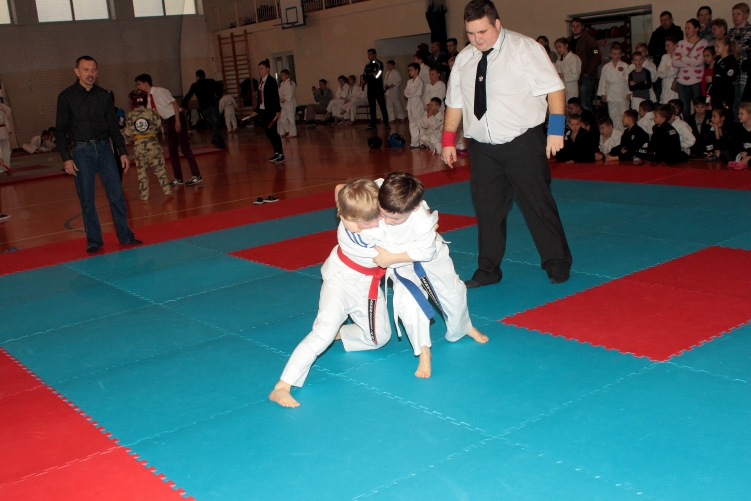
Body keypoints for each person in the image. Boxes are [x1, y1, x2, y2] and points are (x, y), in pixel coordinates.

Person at [443, 0, 572, 286]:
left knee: (537, 204)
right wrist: (448, 139)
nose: (477, 39)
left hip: (521, 141)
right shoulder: (464, 59)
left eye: (482, 32)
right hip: (481, 147)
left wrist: (555, 129)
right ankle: (488, 269)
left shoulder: (524, 48)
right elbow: (455, 102)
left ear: (497, 23)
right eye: (470, 33)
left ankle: (557, 262)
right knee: (487, 210)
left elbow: (554, 88)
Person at [268, 178, 391, 408]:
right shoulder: (362, 233)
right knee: (322, 334)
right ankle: (282, 386)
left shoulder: (365, 208)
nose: (370, 224)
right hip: (339, 281)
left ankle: (339, 332)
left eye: (372, 219)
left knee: (379, 339)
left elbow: (339, 189)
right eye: (363, 221)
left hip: (367, 285)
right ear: (344, 215)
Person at [363, 172, 488, 377]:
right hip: (400, 263)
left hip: (428, 256)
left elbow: (424, 253)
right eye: (383, 213)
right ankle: (423, 351)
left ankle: (463, 327)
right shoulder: (380, 190)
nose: (387, 220)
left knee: (454, 292)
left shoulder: (421, 220)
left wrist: (388, 259)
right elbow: (344, 191)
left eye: (394, 218)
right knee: (409, 304)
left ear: (413, 208)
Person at [55, 55, 142, 253]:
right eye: (86, 69)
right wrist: (66, 157)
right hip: (81, 152)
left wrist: (122, 152)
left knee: (117, 195)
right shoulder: (66, 97)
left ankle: (125, 235)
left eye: (93, 69)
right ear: (77, 72)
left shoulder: (104, 96)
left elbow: (113, 127)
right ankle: (94, 240)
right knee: (87, 199)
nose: (90, 73)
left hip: (105, 149)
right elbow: (60, 130)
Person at [135, 74, 203, 187]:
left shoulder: (160, 91)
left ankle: (197, 175)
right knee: (172, 151)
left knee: (185, 148)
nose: (138, 87)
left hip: (176, 117)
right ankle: (178, 178)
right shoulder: (149, 97)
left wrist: (177, 121)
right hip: (168, 121)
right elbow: (150, 114)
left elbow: (175, 104)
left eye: (139, 84)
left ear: (145, 83)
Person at [123, 90, 171, 201]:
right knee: (160, 170)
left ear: (132, 101)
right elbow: (158, 127)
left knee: (142, 173)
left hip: (139, 147)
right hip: (153, 145)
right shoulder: (152, 113)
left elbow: (128, 133)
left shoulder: (130, 115)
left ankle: (144, 196)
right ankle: (167, 190)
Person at [673, 19, 709, 116]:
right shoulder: (681, 43)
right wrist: (691, 61)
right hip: (681, 81)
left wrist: (683, 58)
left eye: (689, 28)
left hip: (697, 80)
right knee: (684, 109)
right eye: (685, 28)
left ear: (696, 29)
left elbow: (699, 61)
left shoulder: (703, 43)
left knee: (699, 107)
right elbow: (675, 62)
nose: (686, 30)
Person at [182, 69, 225, 149]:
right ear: (204, 76)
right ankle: (217, 139)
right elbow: (220, 87)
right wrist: (218, 95)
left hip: (204, 108)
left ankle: (218, 140)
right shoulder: (211, 81)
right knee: (216, 122)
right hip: (212, 105)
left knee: (213, 124)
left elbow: (188, 95)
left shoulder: (195, 85)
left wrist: (182, 105)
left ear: (197, 76)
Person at [568, 17, 601, 112]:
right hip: (573, 76)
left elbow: (596, 55)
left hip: (586, 76)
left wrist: (588, 72)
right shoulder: (568, 40)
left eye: (577, 26)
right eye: (573, 26)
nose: (575, 28)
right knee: (573, 103)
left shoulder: (590, 40)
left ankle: (588, 120)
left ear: (582, 27)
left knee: (584, 103)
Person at [254, 60, 284, 163]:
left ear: (267, 69)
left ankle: (281, 154)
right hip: (263, 110)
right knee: (268, 132)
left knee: (273, 132)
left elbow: (275, 96)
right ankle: (276, 152)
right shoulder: (261, 81)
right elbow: (260, 97)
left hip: (271, 110)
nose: (260, 71)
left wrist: (277, 110)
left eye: (261, 68)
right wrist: (257, 110)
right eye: (259, 69)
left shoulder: (271, 81)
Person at [597, 43, 630, 131]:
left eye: (619, 54)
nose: (617, 56)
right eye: (615, 54)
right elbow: (602, 81)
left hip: (622, 93)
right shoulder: (606, 67)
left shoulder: (625, 66)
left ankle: (624, 132)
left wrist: (629, 92)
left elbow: (629, 81)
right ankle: (615, 132)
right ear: (610, 54)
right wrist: (603, 94)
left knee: (623, 114)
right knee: (613, 115)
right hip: (611, 94)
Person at [729, 3, 751, 118]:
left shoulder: (750, 31)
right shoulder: (731, 32)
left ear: (746, 15)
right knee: (734, 102)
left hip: (744, 72)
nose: (735, 17)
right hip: (732, 72)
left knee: (744, 101)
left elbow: (745, 48)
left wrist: (735, 48)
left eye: (738, 14)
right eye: (733, 14)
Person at [709, 36, 739, 111]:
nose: (715, 49)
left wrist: (713, 79)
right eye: (715, 46)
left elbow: (728, 79)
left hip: (725, 94)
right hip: (716, 94)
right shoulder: (718, 61)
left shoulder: (731, 62)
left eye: (718, 46)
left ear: (726, 47)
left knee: (724, 114)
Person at [364, 48, 390, 130]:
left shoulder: (379, 64)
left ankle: (386, 123)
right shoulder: (367, 65)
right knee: (372, 107)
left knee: (382, 106)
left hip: (378, 88)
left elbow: (378, 75)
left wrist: (371, 77)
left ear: (374, 55)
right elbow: (364, 76)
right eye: (368, 54)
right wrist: (371, 77)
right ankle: (373, 124)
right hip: (370, 89)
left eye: (370, 54)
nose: (369, 56)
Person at [404, 62, 425, 148]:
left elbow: (413, 92)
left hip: (417, 104)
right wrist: (410, 92)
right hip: (410, 105)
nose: (410, 72)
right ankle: (414, 143)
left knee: (420, 124)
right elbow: (405, 92)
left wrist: (410, 92)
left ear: (417, 70)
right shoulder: (409, 82)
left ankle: (423, 142)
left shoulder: (419, 81)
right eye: (409, 70)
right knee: (412, 125)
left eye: (411, 70)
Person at [658, 37, 680, 103]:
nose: (666, 48)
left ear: (675, 46)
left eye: (668, 45)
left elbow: (673, 71)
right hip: (665, 87)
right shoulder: (665, 57)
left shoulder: (679, 58)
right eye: (665, 45)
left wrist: (666, 69)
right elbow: (659, 72)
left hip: (674, 88)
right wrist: (668, 69)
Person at [277, 69, 297, 137]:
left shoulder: (290, 83)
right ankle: (288, 130)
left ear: (287, 75)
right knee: (282, 118)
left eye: (283, 75)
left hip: (290, 103)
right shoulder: (282, 83)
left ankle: (293, 133)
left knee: (291, 118)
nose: (281, 76)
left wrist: (284, 99)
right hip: (284, 104)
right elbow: (280, 93)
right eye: (281, 75)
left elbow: (291, 93)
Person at [0, 100, 12, 174]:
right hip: (4, 131)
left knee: (0, 150)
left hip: (3, 131)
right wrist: (9, 130)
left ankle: (2, 168)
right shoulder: (2, 112)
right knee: (6, 150)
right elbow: (8, 110)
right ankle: (7, 166)